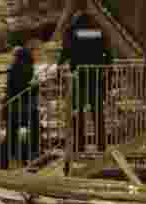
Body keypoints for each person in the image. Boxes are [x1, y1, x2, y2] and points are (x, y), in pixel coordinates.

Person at [59, 12, 111, 158]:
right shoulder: (98, 31)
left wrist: (59, 65)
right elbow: (107, 51)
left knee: (78, 112)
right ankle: (101, 145)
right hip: (95, 76)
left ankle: (79, 145)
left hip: (78, 77)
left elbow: (66, 51)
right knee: (98, 112)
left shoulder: (72, 32)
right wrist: (108, 67)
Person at [2, 44, 38, 169]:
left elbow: (12, 88)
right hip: (25, 108)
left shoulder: (13, 68)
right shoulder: (28, 68)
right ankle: (24, 159)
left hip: (13, 107)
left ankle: (4, 161)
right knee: (24, 134)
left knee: (10, 135)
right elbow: (27, 88)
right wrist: (34, 87)